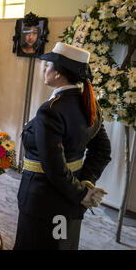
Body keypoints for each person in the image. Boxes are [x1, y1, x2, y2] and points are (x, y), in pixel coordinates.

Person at [14, 42, 111, 250]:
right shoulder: (90, 105)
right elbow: (102, 151)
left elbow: (54, 168)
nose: (44, 69)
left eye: (48, 65)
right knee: (62, 244)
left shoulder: (51, 111)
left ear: (58, 73)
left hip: (42, 202)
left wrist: (81, 193)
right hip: (69, 202)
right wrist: (85, 183)